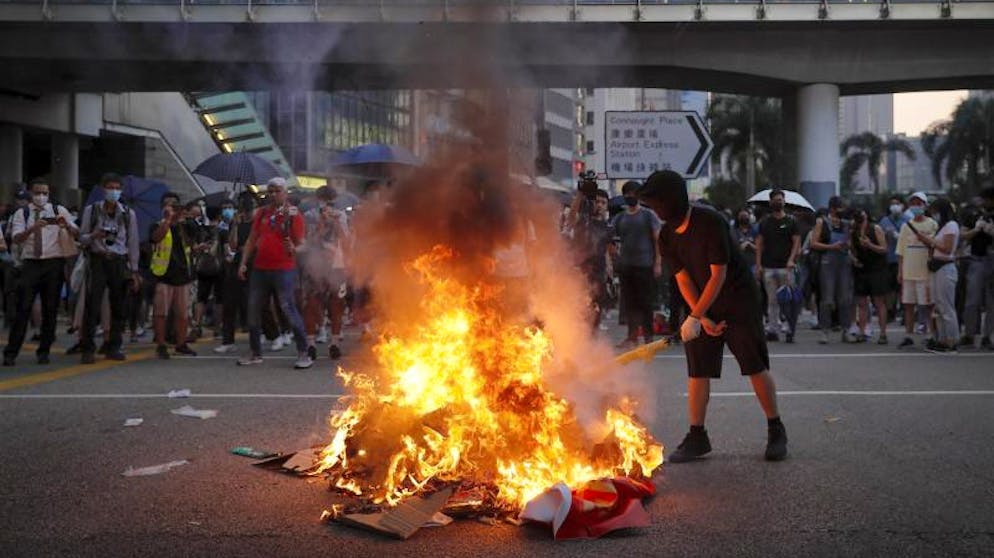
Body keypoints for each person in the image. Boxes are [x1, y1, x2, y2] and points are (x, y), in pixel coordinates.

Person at [639, 170, 787, 463]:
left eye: (657, 202)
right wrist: (700, 317)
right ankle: (697, 436)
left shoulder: (710, 221)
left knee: (754, 365)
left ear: (672, 200)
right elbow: (683, 279)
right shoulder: (667, 235)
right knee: (698, 370)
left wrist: (695, 314)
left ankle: (776, 429)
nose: (654, 209)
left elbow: (719, 275)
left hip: (738, 301)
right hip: (703, 306)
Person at [236, 177, 311, 369]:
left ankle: (304, 352)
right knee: (253, 309)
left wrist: (294, 248)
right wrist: (243, 263)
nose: (273, 194)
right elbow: (252, 239)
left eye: (277, 190)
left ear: (285, 192)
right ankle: (255, 352)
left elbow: (302, 244)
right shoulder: (262, 213)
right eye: (270, 191)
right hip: (260, 268)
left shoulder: (293, 214)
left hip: (284, 268)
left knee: (288, 308)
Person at [2, 178, 78, 366]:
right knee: (23, 308)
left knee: (50, 309)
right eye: (37, 193)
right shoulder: (23, 212)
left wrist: (66, 225)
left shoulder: (58, 210)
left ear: (49, 194)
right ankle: (11, 352)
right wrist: (33, 228)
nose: (41, 196)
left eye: (44, 193)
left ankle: (44, 351)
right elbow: (16, 238)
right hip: (31, 265)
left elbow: (76, 232)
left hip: (54, 264)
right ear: (31, 193)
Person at [78, 173, 141, 363]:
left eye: (117, 188)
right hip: (98, 259)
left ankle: (114, 345)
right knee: (92, 304)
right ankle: (87, 348)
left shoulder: (128, 214)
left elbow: (133, 243)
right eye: (110, 187)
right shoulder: (93, 210)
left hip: (119, 261)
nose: (113, 191)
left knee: (119, 305)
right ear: (103, 189)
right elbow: (82, 237)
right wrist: (95, 235)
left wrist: (134, 269)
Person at [610, 180, 662, 347]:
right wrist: (614, 259)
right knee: (630, 303)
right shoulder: (620, 218)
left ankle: (648, 336)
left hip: (645, 265)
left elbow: (657, 240)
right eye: (627, 194)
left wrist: (657, 263)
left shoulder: (648, 215)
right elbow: (612, 239)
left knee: (645, 302)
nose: (630, 196)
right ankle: (632, 336)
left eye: (633, 193)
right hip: (626, 266)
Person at [301, 186, 351, 361]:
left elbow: (346, 243)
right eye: (324, 199)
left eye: (331, 200)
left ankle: (335, 343)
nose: (328, 204)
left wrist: (336, 223)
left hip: (336, 265)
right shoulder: (310, 216)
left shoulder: (342, 215)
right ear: (318, 199)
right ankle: (311, 343)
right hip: (315, 265)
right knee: (311, 304)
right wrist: (321, 224)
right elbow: (308, 241)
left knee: (337, 303)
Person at [149, 192, 197, 359]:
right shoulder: (157, 224)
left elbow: (193, 241)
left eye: (174, 204)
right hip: (163, 274)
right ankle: (161, 344)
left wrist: (183, 219)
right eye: (167, 204)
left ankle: (181, 343)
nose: (171, 207)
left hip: (183, 274)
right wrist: (168, 221)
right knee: (161, 312)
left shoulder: (184, 225)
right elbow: (156, 238)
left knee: (183, 314)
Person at [914, 198, 960, 353]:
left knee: (946, 306)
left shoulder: (951, 225)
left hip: (945, 267)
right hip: (937, 267)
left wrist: (929, 240)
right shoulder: (943, 227)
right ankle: (942, 339)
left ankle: (951, 341)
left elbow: (947, 248)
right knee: (939, 306)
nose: (933, 214)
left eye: (935, 211)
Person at [755, 190, 800, 343]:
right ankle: (772, 329)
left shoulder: (791, 221)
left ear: (784, 201)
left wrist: (791, 260)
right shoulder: (765, 222)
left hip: (786, 268)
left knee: (788, 300)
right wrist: (759, 264)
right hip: (768, 267)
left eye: (780, 199)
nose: (778, 202)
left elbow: (796, 242)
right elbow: (759, 244)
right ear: (770, 202)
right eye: (775, 200)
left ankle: (789, 329)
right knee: (772, 300)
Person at [895, 192, 938, 348]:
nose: (916, 206)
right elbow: (900, 251)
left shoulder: (932, 224)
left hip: (925, 272)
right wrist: (900, 271)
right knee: (908, 305)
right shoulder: (905, 226)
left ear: (925, 205)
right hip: (908, 272)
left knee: (927, 305)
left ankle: (930, 335)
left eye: (919, 203)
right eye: (913, 203)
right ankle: (908, 335)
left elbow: (935, 245)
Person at [810, 196, 854, 344]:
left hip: (844, 262)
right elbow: (813, 243)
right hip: (828, 262)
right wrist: (831, 247)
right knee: (827, 299)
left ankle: (846, 330)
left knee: (845, 299)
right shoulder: (822, 222)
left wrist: (848, 245)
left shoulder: (847, 224)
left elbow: (851, 242)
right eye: (840, 207)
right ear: (833, 208)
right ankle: (824, 331)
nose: (843, 211)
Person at [215, 194, 253, 353]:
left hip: (254, 264)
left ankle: (270, 334)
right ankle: (228, 341)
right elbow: (233, 244)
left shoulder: (256, 224)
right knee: (229, 302)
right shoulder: (235, 224)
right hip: (236, 265)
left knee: (254, 304)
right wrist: (235, 226)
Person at [960, 187, 994, 349]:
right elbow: (963, 235)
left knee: (991, 301)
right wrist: (976, 229)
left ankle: (988, 335)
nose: (983, 202)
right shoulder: (973, 215)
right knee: (972, 300)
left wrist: (991, 231)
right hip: (977, 260)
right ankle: (969, 334)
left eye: (986, 199)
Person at [850, 209, 890, 344]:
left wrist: (870, 245)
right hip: (862, 269)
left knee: (879, 302)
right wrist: (854, 258)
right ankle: (861, 332)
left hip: (877, 269)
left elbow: (884, 249)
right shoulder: (854, 231)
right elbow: (853, 250)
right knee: (861, 303)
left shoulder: (875, 229)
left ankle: (883, 333)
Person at [879, 197, 908, 319]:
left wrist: (900, 236)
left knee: (902, 287)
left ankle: (904, 311)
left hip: (903, 258)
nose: (895, 206)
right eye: (892, 204)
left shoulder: (907, 220)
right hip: (888, 258)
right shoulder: (884, 221)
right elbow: (878, 236)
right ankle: (891, 311)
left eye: (897, 203)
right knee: (889, 288)